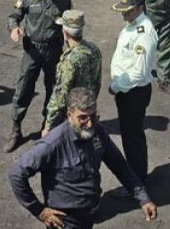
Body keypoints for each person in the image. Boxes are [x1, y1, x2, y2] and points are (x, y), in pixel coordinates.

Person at [8, 88, 158, 229]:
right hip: (65, 221)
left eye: (93, 116)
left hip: (90, 213)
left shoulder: (97, 132)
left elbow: (119, 165)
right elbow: (16, 173)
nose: (90, 123)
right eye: (83, 118)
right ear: (69, 115)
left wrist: (143, 198)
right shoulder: (52, 143)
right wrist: (39, 211)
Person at [5, 0, 73, 152]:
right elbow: (13, 16)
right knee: (24, 88)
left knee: (53, 89)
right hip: (32, 51)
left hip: (53, 52)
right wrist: (14, 28)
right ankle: (16, 129)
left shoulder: (64, 1)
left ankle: (48, 125)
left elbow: (68, 26)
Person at [109, 0, 158, 183]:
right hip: (127, 92)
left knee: (132, 139)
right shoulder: (132, 24)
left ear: (140, 8)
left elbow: (138, 73)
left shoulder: (144, 33)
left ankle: (137, 182)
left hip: (133, 93)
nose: (123, 14)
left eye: (128, 10)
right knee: (130, 136)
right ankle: (137, 177)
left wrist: (117, 86)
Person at [43, 10, 102, 135]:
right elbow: (97, 82)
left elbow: (60, 96)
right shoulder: (94, 49)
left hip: (74, 116)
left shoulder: (70, 60)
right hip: (89, 110)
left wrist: (49, 124)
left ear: (65, 34)